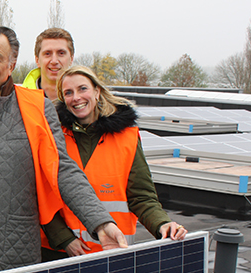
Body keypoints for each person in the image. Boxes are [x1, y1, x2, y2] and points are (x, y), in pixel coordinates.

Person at [0, 26, 127, 273]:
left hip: (12, 258)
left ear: (11, 65)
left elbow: (62, 169)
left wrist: (101, 222)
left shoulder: (36, 107)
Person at [41, 65, 188, 261]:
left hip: (113, 250)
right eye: (68, 92)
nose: (76, 97)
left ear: (97, 91)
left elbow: (141, 197)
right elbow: (41, 195)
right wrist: (65, 239)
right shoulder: (53, 137)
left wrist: (162, 224)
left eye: (82, 89)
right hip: (61, 252)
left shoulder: (127, 137)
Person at [22, 28, 74, 99]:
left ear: (71, 59)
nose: (54, 61)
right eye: (47, 54)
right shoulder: (20, 99)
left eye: (61, 53)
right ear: (37, 60)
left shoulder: (85, 102)